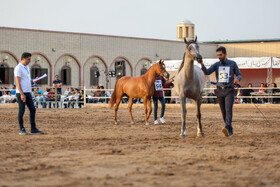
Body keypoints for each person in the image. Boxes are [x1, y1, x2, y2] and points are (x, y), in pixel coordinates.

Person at [198, 46, 242, 137]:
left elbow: (239, 74)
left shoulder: (232, 64)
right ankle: (230, 129)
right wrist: (202, 64)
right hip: (219, 91)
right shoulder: (216, 65)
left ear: (225, 54)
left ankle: (226, 127)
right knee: (223, 111)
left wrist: (237, 78)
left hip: (229, 90)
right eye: (218, 55)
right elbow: (207, 72)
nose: (219, 57)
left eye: (221, 55)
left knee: (228, 109)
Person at [14, 52, 43, 135]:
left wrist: (33, 80)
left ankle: (33, 129)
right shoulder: (18, 68)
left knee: (33, 109)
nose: (30, 61)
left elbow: (26, 80)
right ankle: (21, 129)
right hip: (22, 93)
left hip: (28, 92)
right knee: (22, 110)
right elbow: (18, 82)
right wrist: (22, 94)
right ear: (23, 58)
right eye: (28, 59)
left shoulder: (26, 67)